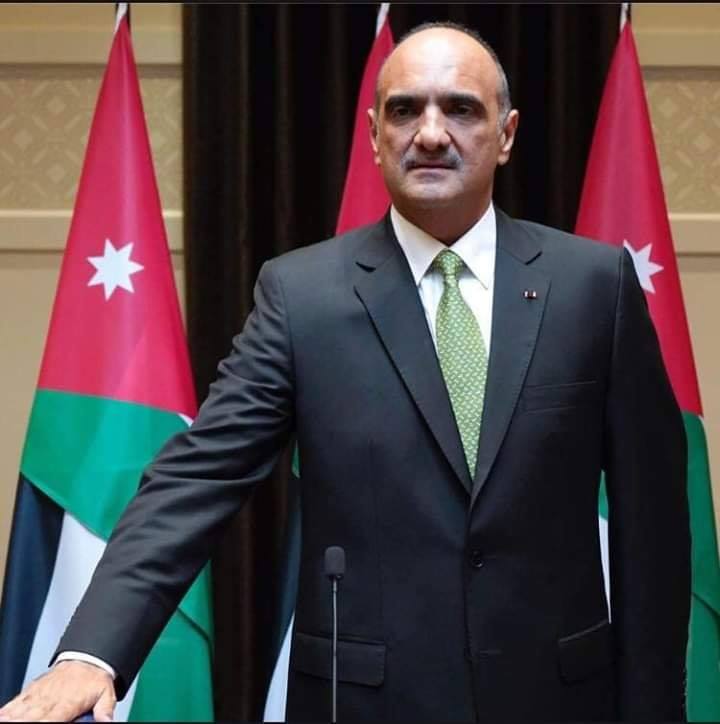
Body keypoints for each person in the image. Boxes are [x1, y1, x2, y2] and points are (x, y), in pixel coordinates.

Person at [0, 22, 690, 722]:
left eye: (460, 109)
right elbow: (196, 478)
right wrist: (91, 653)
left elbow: (655, 525)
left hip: (557, 700)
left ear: (507, 134)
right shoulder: (303, 297)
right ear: (373, 134)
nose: (430, 133)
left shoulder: (593, 286)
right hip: (363, 702)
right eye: (405, 110)